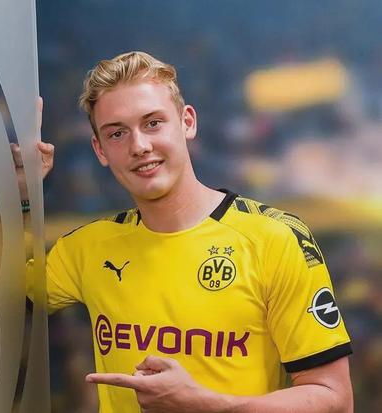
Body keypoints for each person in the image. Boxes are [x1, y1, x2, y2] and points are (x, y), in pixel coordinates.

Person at [29, 51, 353, 412]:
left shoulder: (274, 239)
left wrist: (202, 404)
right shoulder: (86, 249)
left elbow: (335, 399)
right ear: (100, 150)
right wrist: (20, 195)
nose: (139, 146)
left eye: (153, 123)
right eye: (117, 133)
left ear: (187, 122)